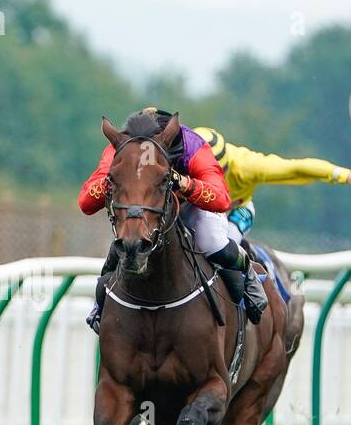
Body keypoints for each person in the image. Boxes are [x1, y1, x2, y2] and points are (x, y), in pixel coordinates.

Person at [78, 107, 268, 330]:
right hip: (146, 209)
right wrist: (114, 177)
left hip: (192, 204)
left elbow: (222, 199)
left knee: (211, 242)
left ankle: (247, 271)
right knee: (123, 242)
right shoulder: (119, 147)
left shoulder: (192, 146)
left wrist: (184, 182)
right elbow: (85, 203)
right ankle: (101, 306)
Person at [187, 126, 351, 237]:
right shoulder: (180, 156)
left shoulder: (248, 166)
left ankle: (248, 292)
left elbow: (296, 168)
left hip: (237, 209)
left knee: (226, 240)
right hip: (199, 208)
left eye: (212, 174)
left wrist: (347, 176)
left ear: (224, 166)